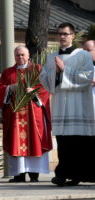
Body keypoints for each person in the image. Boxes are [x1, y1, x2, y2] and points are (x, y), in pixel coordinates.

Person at [40, 23, 95, 186]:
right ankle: (62, 174)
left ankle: (76, 175)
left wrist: (65, 70)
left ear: (73, 35)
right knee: (63, 141)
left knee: (77, 142)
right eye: (60, 34)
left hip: (78, 105)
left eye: (65, 34)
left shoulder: (83, 56)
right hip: (59, 105)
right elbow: (43, 78)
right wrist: (55, 74)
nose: (62, 37)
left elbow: (87, 76)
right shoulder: (51, 57)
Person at [0, 46, 52, 182]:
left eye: (22, 55)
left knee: (34, 141)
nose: (20, 58)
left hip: (33, 114)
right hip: (15, 115)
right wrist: (10, 88)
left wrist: (33, 91)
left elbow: (46, 87)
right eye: (17, 55)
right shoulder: (8, 72)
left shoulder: (37, 69)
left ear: (28, 56)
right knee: (16, 141)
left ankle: (34, 174)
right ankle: (18, 174)